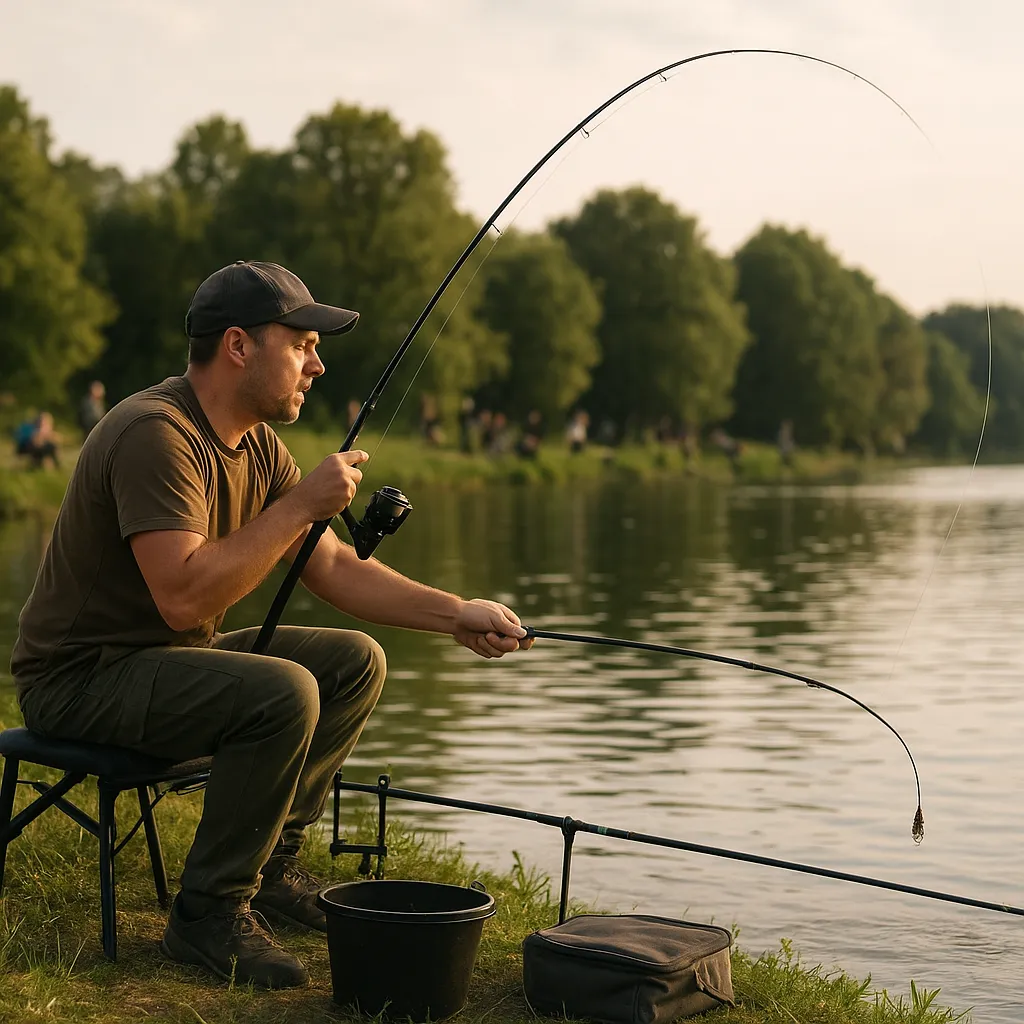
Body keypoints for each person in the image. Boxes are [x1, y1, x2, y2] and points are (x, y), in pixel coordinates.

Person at [10, 261, 533, 991]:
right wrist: (298, 504)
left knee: (354, 661)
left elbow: (337, 571)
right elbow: (184, 601)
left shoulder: (257, 444)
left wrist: (458, 614)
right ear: (238, 347)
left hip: (162, 662)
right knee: (283, 691)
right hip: (79, 678)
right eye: (301, 344)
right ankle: (208, 914)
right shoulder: (153, 433)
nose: (317, 364)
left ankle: (272, 864)